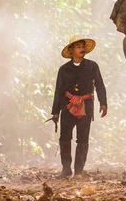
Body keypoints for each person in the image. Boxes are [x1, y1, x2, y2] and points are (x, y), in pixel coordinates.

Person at [51, 35, 107, 178]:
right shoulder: (63, 69)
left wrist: (103, 103)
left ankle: (78, 171)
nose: (82, 49)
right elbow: (58, 90)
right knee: (64, 137)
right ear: (71, 50)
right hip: (67, 107)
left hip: (86, 106)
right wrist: (55, 112)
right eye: (78, 47)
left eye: (83, 46)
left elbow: (100, 85)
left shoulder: (92, 66)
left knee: (83, 139)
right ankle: (66, 169)